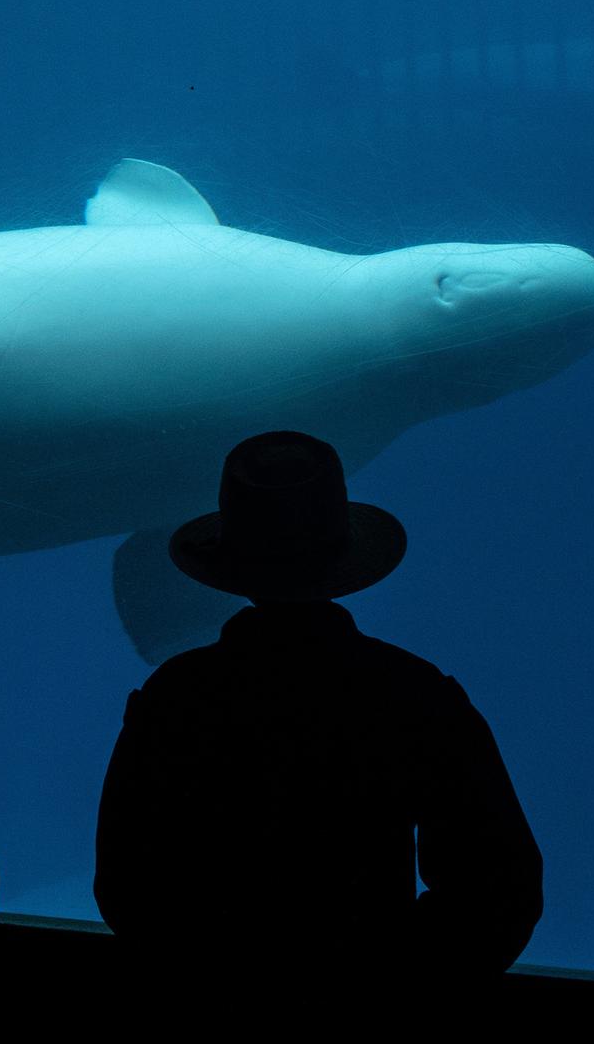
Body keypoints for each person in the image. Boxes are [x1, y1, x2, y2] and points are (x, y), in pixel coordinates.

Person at [93, 431, 543, 1015]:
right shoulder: (414, 693)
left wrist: (203, 976)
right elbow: (499, 887)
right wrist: (396, 982)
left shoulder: (178, 698)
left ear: (232, 564)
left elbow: (128, 885)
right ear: (344, 558)